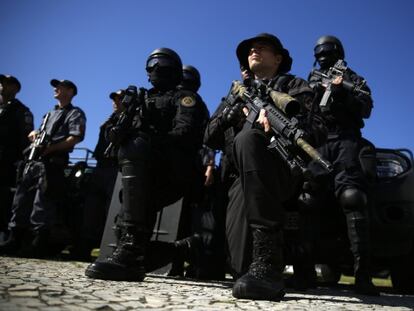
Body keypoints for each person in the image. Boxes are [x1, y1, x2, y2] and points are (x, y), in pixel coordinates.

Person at [207, 33, 327, 301]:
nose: (254, 49)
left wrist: (276, 121)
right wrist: (231, 115)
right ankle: (258, 266)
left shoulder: (294, 85)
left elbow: (316, 129)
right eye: (251, 49)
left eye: (264, 47)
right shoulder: (236, 92)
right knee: (241, 272)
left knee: (250, 138)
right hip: (241, 178)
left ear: (279, 58)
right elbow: (208, 136)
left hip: (281, 169)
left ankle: (270, 263)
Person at [84, 48, 207, 282]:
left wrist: (151, 137)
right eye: (151, 64)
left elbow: (185, 131)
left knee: (137, 145)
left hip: (175, 169)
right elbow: (114, 136)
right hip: (144, 173)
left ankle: (130, 254)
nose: (156, 69)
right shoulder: (142, 100)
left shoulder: (183, 97)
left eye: (161, 63)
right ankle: (179, 250)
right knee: (125, 230)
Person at [307, 35, 378, 295]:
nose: (322, 54)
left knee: (352, 197)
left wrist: (342, 93)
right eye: (319, 51)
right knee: (307, 198)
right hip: (318, 142)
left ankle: (363, 274)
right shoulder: (310, 79)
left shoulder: (354, 80)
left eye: (327, 50)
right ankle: (305, 270)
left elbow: (366, 109)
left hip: (346, 140)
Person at [0, 79, 86, 258]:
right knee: (20, 201)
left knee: (42, 205)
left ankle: (38, 245)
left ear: (70, 91)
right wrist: (34, 135)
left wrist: (52, 148)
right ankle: (14, 240)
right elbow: (38, 134)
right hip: (33, 162)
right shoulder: (49, 114)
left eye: (60, 87)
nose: (55, 89)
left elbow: (75, 138)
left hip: (53, 163)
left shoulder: (75, 113)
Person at [72, 89, 125, 261]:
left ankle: (111, 250)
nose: (116, 101)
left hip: (117, 168)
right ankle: (84, 247)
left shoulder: (132, 119)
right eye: (114, 99)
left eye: (120, 98)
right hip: (101, 167)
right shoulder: (109, 120)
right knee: (91, 208)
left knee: (114, 210)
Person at [0, 75, 34, 236]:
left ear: (15, 88)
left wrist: (21, 162)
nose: (1, 86)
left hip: (7, 163)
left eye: (6, 83)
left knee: (5, 199)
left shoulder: (21, 111)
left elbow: (26, 140)